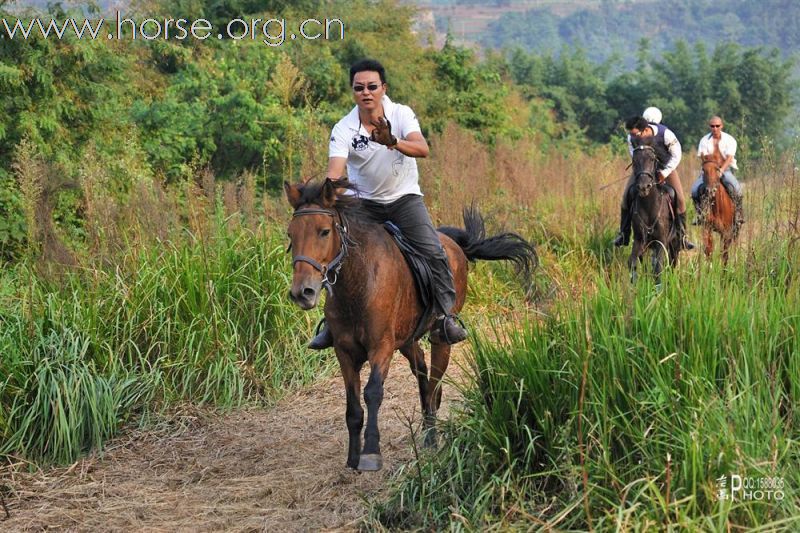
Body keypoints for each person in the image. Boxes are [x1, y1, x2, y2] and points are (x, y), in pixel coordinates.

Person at [308, 58, 467, 350]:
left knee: (433, 251)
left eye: (371, 86)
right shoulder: (344, 128)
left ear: (383, 88)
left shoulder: (401, 113)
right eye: (359, 88)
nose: (365, 92)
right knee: (337, 252)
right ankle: (331, 324)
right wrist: (322, 196)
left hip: (404, 199)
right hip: (364, 205)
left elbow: (422, 148)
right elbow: (334, 170)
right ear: (353, 91)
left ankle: (445, 317)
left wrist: (392, 140)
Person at [613, 115, 696, 250]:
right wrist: (642, 170)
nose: (632, 137)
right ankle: (624, 234)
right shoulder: (631, 137)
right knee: (625, 197)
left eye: (635, 134)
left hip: (666, 168)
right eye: (631, 134)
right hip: (644, 170)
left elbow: (677, 155)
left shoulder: (666, 134)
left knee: (680, 199)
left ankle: (682, 237)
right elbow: (634, 155)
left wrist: (664, 172)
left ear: (645, 130)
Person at [691, 116, 744, 226]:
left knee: (736, 188)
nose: (715, 128)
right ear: (710, 127)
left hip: (725, 170)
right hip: (709, 171)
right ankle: (699, 214)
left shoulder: (730, 140)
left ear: (721, 126)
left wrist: (721, 170)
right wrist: (711, 170)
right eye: (712, 126)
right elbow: (703, 157)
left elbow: (729, 158)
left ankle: (738, 213)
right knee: (695, 189)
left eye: (717, 126)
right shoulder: (704, 140)